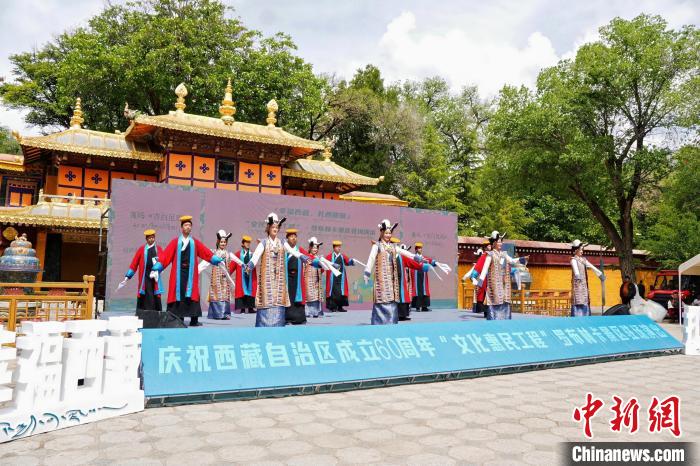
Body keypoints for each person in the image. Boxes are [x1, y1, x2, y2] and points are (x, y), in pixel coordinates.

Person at [363, 219, 444, 325]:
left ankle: (391, 321)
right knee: (382, 299)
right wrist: (367, 272)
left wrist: (419, 258)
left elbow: (407, 254)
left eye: (389, 233)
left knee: (392, 299)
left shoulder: (393, 247)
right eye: (386, 233)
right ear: (382, 232)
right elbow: (371, 259)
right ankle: (379, 321)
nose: (388, 235)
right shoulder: (376, 246)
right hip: (381, 279)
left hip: (392, 279)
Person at [154, 215, 224, 327]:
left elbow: (205, 252)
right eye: (186, 225)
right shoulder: (175, 242)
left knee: (192, 294)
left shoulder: (194, 242)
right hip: (178, 273)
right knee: (179, 294)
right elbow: (166, 256)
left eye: (189, 225)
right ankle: (178, 318)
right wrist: (159, 265)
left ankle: (194, 320)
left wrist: (214, 258)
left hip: (190, 273)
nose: (188, 227)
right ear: (181, 228)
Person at [247, 213, 308, 327]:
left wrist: (301, 256)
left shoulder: (282, 242)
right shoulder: (263, 242)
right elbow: (256, 256)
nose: (275, 229)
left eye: (277, 227)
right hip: (267, 278)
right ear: (268, 228)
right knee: (267, 298)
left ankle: (278, 323)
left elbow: (291, 250)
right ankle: (264, 324)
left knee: (279, 298)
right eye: (273, 227)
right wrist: (250, 264)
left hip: (279, 278)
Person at [477, 231, 528, 320]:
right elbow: (484, 270)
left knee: (505, 301)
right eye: (499, 242)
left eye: (501, 242)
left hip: (504, 284)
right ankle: (493, 321)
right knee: (494, 302)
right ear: (494, 243)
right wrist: (480, 283)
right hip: (494, 285)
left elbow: (511, 261)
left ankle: (505, 321)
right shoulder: (490, 255)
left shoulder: (504, 254)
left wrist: (522, 259)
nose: (501, 243)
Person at [199, 230, 244, 320]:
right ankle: (216, 314)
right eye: (221, 242)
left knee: (225, 294)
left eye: (224, 242)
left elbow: (237, 260)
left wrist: (244, 265)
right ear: (218, 242)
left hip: (225, 278)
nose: (223, 243)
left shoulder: (228, 254)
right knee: (216, 294)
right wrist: (197, 270)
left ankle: (224, 314)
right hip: (216, 278)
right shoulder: (214, 253)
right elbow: (205, 263)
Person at [123, 229, 163, 312]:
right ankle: (145, 313)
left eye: (152, 237)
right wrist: (128, 276)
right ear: (146, 239)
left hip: (155, 276)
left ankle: (156, 313)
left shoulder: (158, 249)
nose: (151, 239)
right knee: (147, 293)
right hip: (145, 276)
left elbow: (163, 261)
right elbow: (134, 263)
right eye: (149, 238)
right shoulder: (141, 249)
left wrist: (158, 269)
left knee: (155, 293)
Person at [569, 239, 605, 317]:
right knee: (578, 299)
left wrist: (600, 274)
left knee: (585, 299)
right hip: (578, 284)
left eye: (582, 250)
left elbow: (591, 266)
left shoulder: (583, 260)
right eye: (580, 250)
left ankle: (586, 315)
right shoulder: (573, 260)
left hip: (584, 284)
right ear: (576, 250)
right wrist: (577, 276)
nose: (582, 251)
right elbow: (575, 270)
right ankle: (577, 316)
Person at [284, 229, 307, 325]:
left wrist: (319, 262)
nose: (293, 238)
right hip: (286, 278)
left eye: (295, 236)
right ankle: (287, 318)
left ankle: (299, 319)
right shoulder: (284, 250)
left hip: (297, 278)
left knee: (297, 298)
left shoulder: (300, 250)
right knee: (287, 297)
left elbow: (309, 257)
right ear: (287, 238)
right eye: (291, 236)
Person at [325, 240, 355, 313]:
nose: (339, 248)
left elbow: (348, 262)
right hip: (333, 278)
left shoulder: (342, 256)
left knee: (341, 292)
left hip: (340, 278)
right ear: (334, 248)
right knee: (333, 292)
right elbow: (324, 264)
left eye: (339, 247)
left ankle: (340, 307)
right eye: (337, 247)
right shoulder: (329, 256)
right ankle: (333, 307)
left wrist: (352, 261)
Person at [462, 240, 491, 314]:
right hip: (483, 279)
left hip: (491, 278)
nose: (490, 247)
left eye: (490, 245)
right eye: (488, 246)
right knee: (483, 292)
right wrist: (471, 276)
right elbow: (476, 269)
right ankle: (484, 310)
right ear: (485, 248)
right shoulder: (484, 257)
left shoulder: (492, 255)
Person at [411, 242, 437, 312]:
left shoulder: (423, 257)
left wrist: (435, 263)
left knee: (425, 290)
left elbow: (430, 261)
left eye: (421, 248)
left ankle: (424, 307)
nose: (420, 249)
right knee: (418, 290)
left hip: (423, 274)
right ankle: (417, 307)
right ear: (416, 249)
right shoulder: (414, 257)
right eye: (419, 248)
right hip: (416, 274)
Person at [304, 237, 326, 319]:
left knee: (316, 296)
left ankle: (317, 311)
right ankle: (307, 312)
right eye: (313, 247)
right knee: (309, 296)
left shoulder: (318, 258)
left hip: (317, 280)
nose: (315, 249)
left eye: (316, 248)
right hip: (308, 279)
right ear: (310, 248)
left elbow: (322, 269)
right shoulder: (306, 257)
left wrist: (322, 264)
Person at [234, 235, 257, 314]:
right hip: (242, 276)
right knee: (242, 290)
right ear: (242, 244)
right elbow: (233, 264)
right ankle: (242, 308)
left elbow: (255, 263)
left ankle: (250, 308)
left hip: (250, 276)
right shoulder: (238, 254)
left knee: (250, 290)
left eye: (249, 242)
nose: (248, 244)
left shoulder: (252, 254)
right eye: (246, 242)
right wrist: (227, 272)